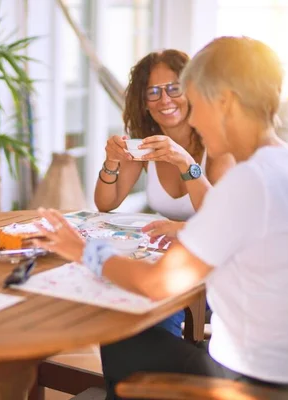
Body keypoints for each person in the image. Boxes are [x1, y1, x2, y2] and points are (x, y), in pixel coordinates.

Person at [34, 36, 288, 399]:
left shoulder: (247, 182)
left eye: (193, 103)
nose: (190, 117)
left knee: (120, 340)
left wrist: (81, 249)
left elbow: (157, 284)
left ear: (224, 102)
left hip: (254, 379)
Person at [95, 50, 235, 336]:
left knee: (145, 311)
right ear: (144, 103)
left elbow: (221, 222)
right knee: (114, 299)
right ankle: (134, 373)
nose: (165, 100)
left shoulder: (219, 145)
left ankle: (165, 369)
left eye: (174, 88)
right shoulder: (146, 144)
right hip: (168, 261)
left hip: (214, 270)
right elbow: (105, 203)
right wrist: (111, 161)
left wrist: (184, 161)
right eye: (153, 92)